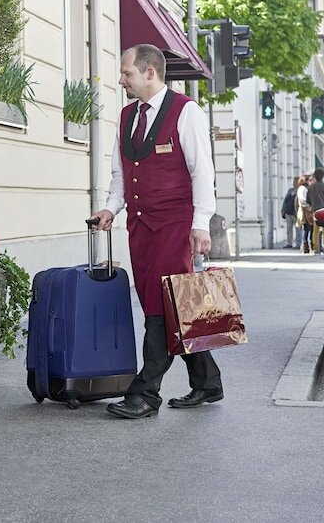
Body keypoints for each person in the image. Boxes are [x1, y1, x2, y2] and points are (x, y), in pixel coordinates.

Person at [90, 44, 222, 419]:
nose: (121, 79)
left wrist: (201, 225)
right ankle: (207, 381)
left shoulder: (186, 111)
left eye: (126, 73)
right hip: (140, 226)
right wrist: (110, 209)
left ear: (150, 73)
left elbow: (202, 173)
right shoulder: (126, 115)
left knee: (161, 309)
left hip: (175, 225)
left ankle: (146, 393)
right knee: (170, 304)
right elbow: (120, 175)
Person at [307, 168, 324, 255]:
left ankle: (316, 248)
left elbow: (307, 200)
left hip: (315, 210)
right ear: (323, 176)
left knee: (316, 230)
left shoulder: (311, 187)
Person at [295, 174, 312, 254]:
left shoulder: (303, 188)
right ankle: (305, 247)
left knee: (307, 229)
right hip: (305, 211)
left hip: (305, 210)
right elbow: (302, 200)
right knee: (306, 229)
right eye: (308, 180)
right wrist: (309, 204)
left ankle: (305, 247)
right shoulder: (303, 189)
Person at [280, 181, 298, 248]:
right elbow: (286, 201)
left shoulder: (300, 190)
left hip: (295, 213)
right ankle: (289, 243)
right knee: (289, 229)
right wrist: (283, 210)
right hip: (288, 212)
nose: (294, 184)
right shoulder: (290, 190)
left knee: (298, 229)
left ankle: (298, 243)